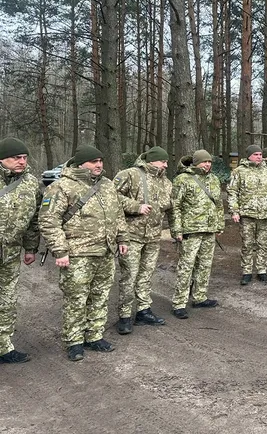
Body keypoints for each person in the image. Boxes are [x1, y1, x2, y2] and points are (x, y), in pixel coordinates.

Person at [39, 145, 128, 362]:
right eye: (93, 161)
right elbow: (49, 221)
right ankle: (74, 341)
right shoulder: (62, 187)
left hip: (105, 251)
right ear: (81, 164)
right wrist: (60, 250)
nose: (99, 165)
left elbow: (118, 215)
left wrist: (122, 238)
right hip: (77, 253)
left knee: (100, 295)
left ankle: (94, 336)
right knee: (76, 298)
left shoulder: (107, 185)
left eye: (100, 161)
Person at [113, 146, 172, 335]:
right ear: (152, 160)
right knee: (129, 276)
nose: (166, 165)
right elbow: (111, 197)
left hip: (153, 236)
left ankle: (143, 311)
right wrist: (135, 206)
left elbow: (169, 206)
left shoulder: (166, 182)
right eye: (163, 161)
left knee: (146, 275)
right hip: (131, 236)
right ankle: (124, 316)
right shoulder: (130, 175)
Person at [169, 150, 224, 319]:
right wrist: (176, 230)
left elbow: (218, 204)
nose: (207, 165)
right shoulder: (182, 179)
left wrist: (220, 224)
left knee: (205, 265)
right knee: (186, 267)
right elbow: (175, 207)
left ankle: (200, 297)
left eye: (209, 162)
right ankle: (179, 302)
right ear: (196, 163)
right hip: (190, 230)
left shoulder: (214, 179)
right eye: (204, 162)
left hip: (209, 229)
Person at [0, 138, 41, 364]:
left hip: (11, 252)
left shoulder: (31, 183)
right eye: (16, 158)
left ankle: (4, 347)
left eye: (24, 158)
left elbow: (34, 219)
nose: (22, 162)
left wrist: (31, 248)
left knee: (7, 300)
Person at [228, 145, 267, 285]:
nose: (259, 157)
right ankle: (247, 271)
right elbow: (232, 192)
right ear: (249, 155)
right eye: (256, 154)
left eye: (260, 154)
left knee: (263, 244)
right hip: (247, 215)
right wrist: (234, 211)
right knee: (247, 244)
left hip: (264, 215)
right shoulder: (239, 171)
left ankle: (262, 270)